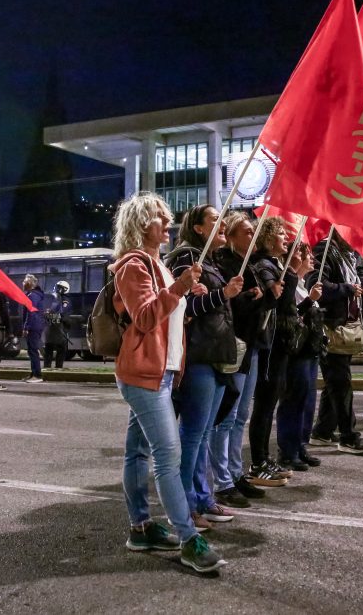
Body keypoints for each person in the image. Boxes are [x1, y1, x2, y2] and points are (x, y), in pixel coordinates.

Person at [110, 191, 225, 573]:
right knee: (168, 457)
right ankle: (189, 538)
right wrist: (177, 289)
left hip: (160, 374)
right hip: (144, 376)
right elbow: (143, 317)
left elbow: (163, 317)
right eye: (161, 217)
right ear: (143, 224)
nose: (168, 223)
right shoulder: (133, 265)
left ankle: (140, 528)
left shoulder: (158, 265)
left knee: (137, 453)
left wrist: (183, 299)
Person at [164, 204, 243, 530]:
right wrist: (222, 293)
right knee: (193, 436)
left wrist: (225, 293)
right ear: (197, 227)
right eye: (215, 220)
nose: (222, 224)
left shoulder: (208, 261)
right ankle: (184, 509)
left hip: (216, 356)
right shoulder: (186, 257)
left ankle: (203, 498)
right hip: (198, 357)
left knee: (203, 433)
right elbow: (186, 307)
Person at [211, 212, 269, 504]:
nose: (252, 236)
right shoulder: (223, 264)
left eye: (253, 231)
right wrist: (247, 297)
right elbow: (227, 304)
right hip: (236, 346)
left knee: (240, 417)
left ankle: (234, 472)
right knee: (227, 416)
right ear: (231, 236)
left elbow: (268, 302)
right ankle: (222, 480)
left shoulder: (254, 265)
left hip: (252, 345)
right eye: (246, 232)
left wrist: (266, 294)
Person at [309, 231, 363, 453]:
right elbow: (315, 285)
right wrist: (347, 288)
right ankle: (348, 436)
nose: (357, 238)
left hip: (345, 325)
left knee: (334, 383)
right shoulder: (324, 250)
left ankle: (322, 432)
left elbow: (362, 278)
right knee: (341, 382)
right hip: (330, 326)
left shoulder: (348, 255)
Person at [247, 216, 300, 480]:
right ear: (268, 238)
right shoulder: (264, 264)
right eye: (280, 233)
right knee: (265, 405)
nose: (286, 237)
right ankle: (258, 462)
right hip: (271, 344)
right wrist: (294, 275)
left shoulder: (276, 263)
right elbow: (279, 297)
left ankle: (265, 460)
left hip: (281, 342)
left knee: (271, 403)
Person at [276, 241, 325, 469]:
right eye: (306, 255)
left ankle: (299, 446)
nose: (312, 259)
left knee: (306, 401)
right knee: (293, 400)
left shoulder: (303, 282)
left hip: (309, 349)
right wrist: (311, 301)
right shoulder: (289, 282)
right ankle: (288, 450)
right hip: (296, 351)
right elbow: (293, 315)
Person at [21, 275, 46, 384]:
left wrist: (26, 327)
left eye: (25, 281)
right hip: (37, 324)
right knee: (32, 351)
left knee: (33, 351)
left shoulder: (32, 296)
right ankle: (33, 373)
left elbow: (31, 312)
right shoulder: (35, 295)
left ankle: (37, 375)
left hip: (33, 325)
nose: (23, 283)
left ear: (31, 284)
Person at [43, 281, 72, 369]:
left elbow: (62, 313)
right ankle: (50, 368)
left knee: (57, 349)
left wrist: (50, 316)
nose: (57, 289)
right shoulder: (54, 299)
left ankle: (56, 368)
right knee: (50, 349)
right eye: (57, 287)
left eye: (60, 287)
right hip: (54, 327)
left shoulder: (64, 300)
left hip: (59, 328)